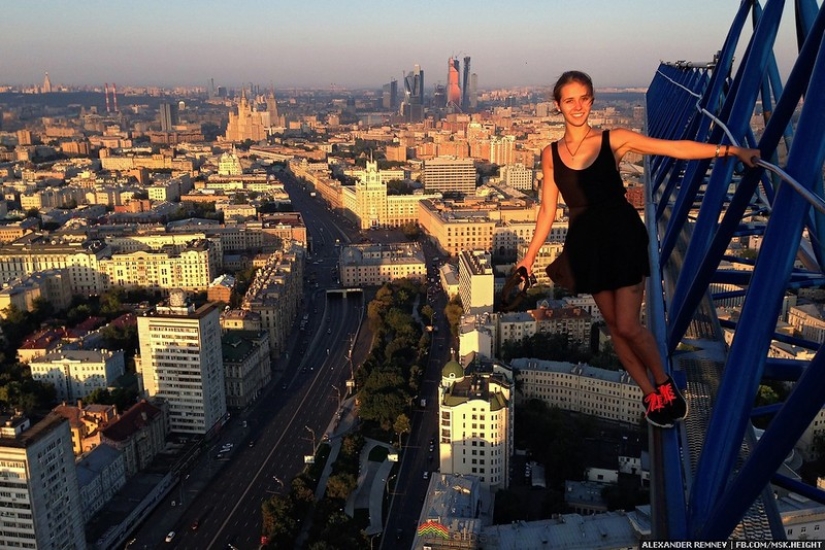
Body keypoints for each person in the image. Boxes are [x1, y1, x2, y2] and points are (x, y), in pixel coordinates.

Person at [517, 70, 760, 428]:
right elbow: (548, 210)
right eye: (570, 100)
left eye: (584, 98)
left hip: (622, 237)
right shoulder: (550, 155)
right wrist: (528, 257)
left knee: (629, 325)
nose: (578, 106)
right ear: (558, 106)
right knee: (615, 327)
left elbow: (673, 148)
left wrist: (729, 150)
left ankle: (665, 383)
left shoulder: (613, 139)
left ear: (593, 100)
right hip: (586, 246)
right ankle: (651, 394)